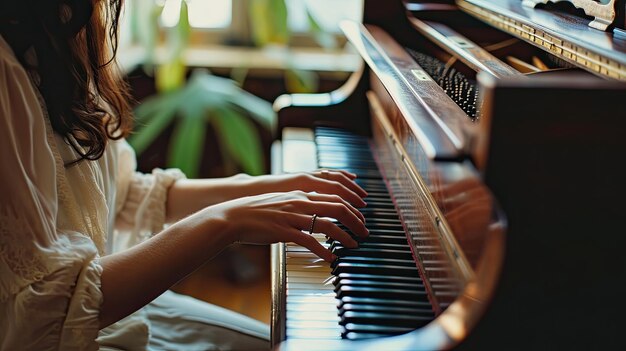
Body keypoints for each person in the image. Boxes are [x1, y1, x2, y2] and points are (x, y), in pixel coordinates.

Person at [0, 0, 368, 349]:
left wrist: (272, 187)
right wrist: (224, 222)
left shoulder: (66, 31)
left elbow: (122, 194)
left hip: (111, 315)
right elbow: (41, 317)